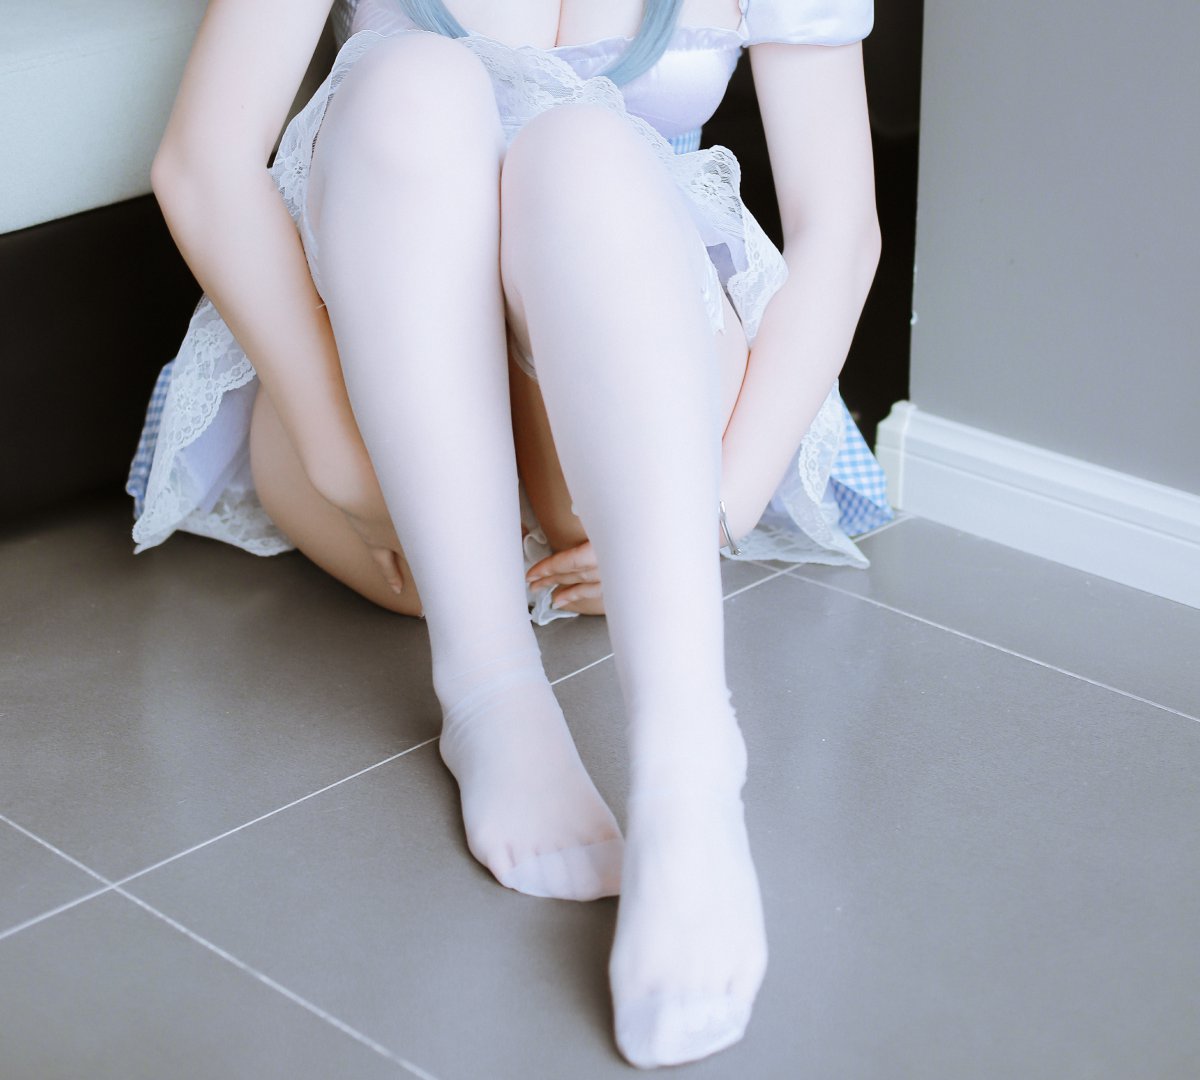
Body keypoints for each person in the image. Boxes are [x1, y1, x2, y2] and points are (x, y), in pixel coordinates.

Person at [130, 0, 885, 1067]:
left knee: (584, 152)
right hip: (392, 459)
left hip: (623, 450)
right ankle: (488, 688)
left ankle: (688, 766)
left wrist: (724, 502)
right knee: (411, 83)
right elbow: (204, 163)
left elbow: (838, 229)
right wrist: (342, 458)